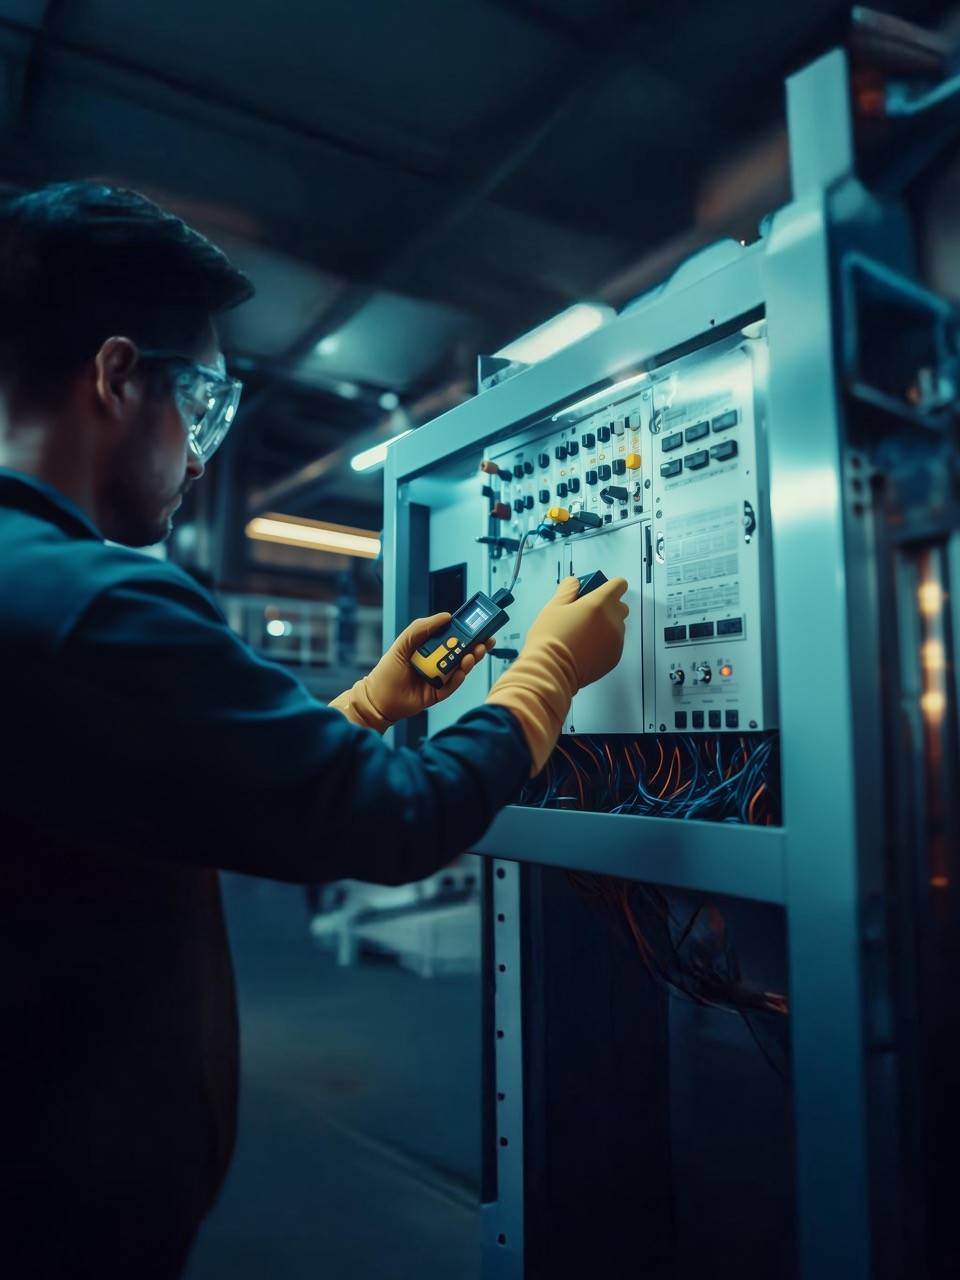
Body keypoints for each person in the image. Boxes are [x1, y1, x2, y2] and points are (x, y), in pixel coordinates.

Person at [0, 182, 629, 1279]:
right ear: (112, 377)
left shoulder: (36, 593)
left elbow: (152, 781)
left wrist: (366, 708)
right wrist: (545, 676)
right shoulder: (101, 604)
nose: (196, 458)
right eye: (192, 409)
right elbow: (392, 820)